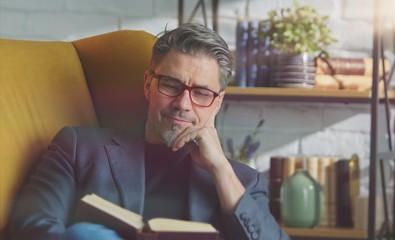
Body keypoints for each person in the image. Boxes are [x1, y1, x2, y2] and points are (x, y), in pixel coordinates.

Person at [8, 23, 289, 240]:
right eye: (170, 84)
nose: (182, 104)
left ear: (218, 102)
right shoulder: (78, 147)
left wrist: (221, 169)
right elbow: (29, 226)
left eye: (201, 93)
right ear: (147, 85)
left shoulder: (243, 182)